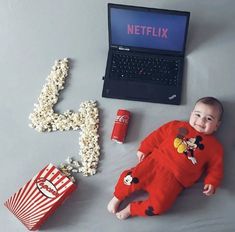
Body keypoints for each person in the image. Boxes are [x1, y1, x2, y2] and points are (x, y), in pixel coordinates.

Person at [107, 96, 224, 220]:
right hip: (154, 163)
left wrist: (212, 182)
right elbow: (157, 135)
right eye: (198, 115)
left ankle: (132, 209)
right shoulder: (176, 126)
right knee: (130, 178)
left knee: (159, 206)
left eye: (209, 119)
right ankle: (118, 197)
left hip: (174, 181)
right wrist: (145, 148)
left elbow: (216, 167)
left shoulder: (215, 147)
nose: (201, 121)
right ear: (191, 114)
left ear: (217, 125)